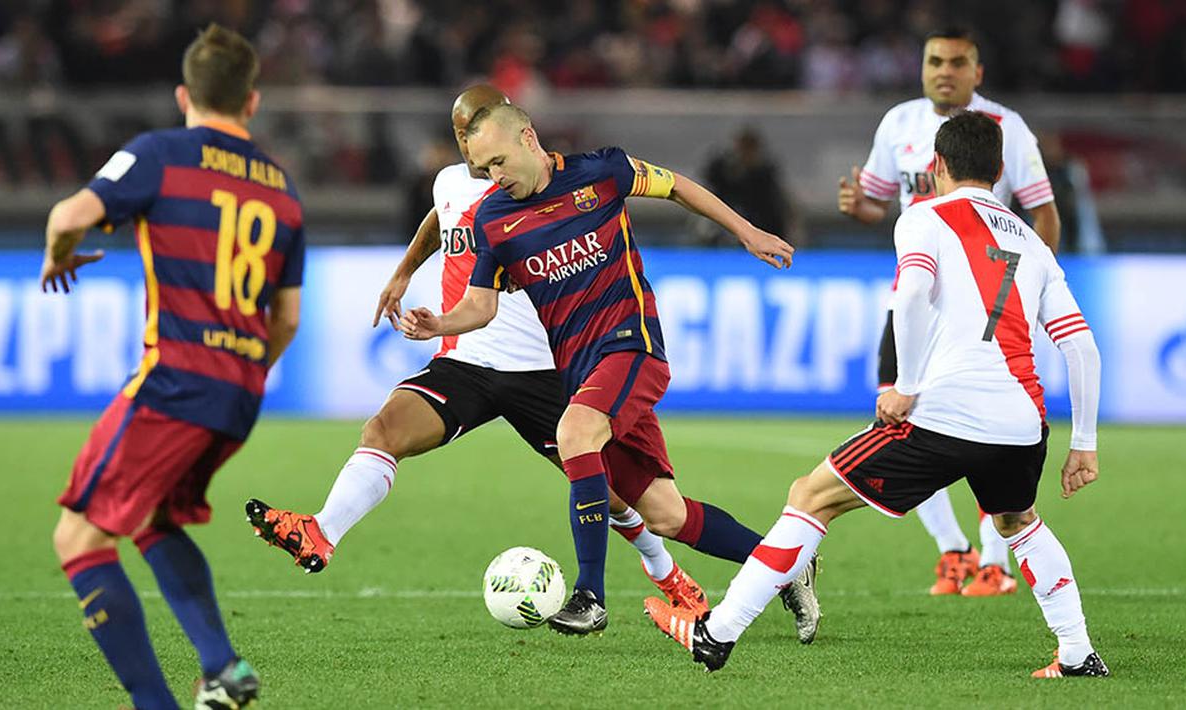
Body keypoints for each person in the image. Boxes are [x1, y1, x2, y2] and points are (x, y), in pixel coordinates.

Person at [647, 111, 1108, 680]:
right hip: (1020, 421)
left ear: (936, 166)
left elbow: (911, 293)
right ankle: (1077, 652)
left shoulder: (925, 217)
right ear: (1000, 170)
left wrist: (907, 386)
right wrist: (1083, 443)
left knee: (809, 498)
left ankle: (714, 635)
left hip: (944, 412)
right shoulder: (1034, 243)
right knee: (1018, 521)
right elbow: (1081, 346)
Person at [245, 85, 709, 616]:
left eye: (472, 131)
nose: (466, 145)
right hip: (468, 360)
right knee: (384, 430)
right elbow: (438, 219)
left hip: (543, 370)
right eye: (458, 134)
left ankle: (674, 580)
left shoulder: (529, 186)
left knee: (617, 495)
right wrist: (404, 270)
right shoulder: (453, 182)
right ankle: (321, 532)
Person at [398, 103, 814, 639]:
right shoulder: (494, 219)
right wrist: (441, 324)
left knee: (574, 432)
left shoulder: (602, 172)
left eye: (499, 161)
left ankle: (590, 595)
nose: (495, 176)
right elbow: (481, 306)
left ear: (528, 137)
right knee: (665, 515)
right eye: (485, 169)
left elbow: (679, 186)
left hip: (631, 345)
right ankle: (785, 564)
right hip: (581, 370)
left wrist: (746, 231)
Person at [45, 24, 303, 710]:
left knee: (77, 536)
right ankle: (221, 665)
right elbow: (288, 322)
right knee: (152, 516)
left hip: (176, 381)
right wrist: (243, 373)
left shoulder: (160, 153)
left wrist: (57, 251)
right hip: (241, 391)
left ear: (184, 95)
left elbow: (69, 213)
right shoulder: (282, 190)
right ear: (251, 103)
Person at [838, 27, 1062, 597]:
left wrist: (1034, 290)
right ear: (921, 67)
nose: (945, 71)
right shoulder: (898, 123)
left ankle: (995, 562)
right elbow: (876, 203)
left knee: (990, 424)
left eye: (958, 62)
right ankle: (953, 552)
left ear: (977, 72)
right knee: (902, 417)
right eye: (935, 60)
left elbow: (1044, 214)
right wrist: (857, 208)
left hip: (980, 308)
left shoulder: (1007, 129)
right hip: (915, 297)